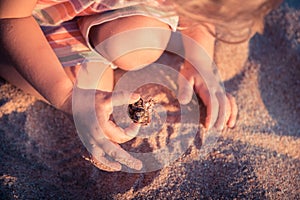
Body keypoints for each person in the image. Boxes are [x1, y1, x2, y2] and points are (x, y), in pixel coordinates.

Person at [0, 0, 282, 171]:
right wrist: (68, 96)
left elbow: (198, 18)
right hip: (19, 17)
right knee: (83, 84)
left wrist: (199, 60)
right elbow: (9, 16)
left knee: (136, 45)